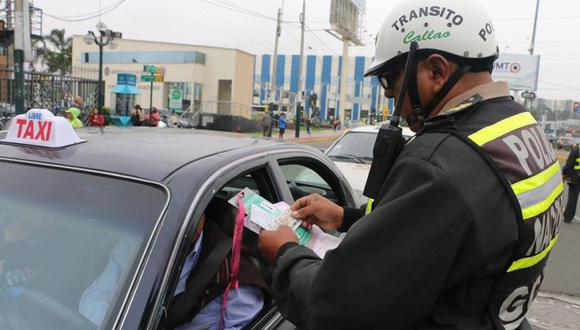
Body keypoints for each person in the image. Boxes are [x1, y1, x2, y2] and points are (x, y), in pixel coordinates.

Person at [258, 1, 561, 329]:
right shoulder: (520, 127)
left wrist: (285, 253)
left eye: (390, 80)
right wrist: (345, 217)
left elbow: (338, 308)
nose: (389, 96)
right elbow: (456, 230)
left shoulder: (440, 163)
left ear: (436, 70)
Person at [79, 213, 266, 330]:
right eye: (169, 216)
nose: (178, 225)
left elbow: (244, 325)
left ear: (203, 213)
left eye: (187, 215)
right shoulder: (133, 246)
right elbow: (95, 296)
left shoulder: (236, 274)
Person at [563, 144, 580, 223]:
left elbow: (569, 165)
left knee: (572, 198)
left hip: (576, 178)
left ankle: (568, 217)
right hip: (576, 177)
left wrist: (564, 173)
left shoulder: (575, 150)